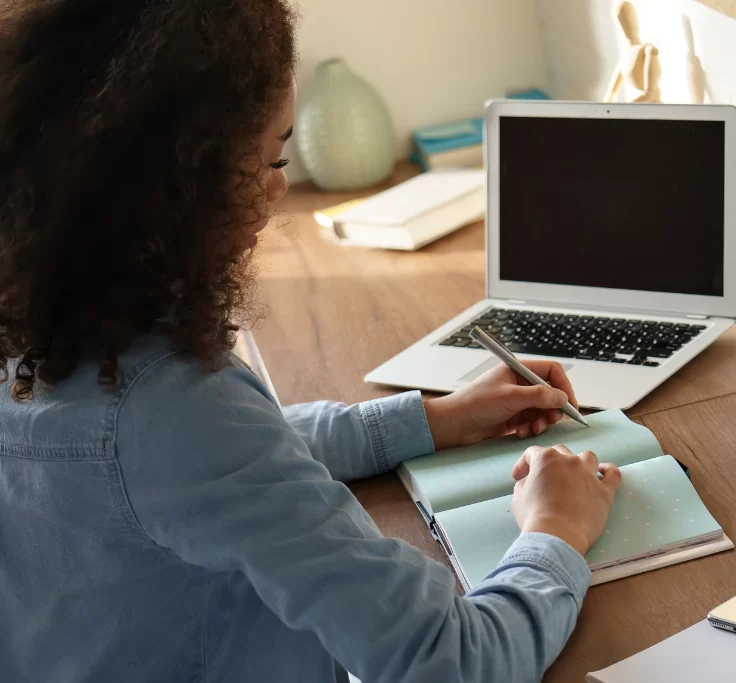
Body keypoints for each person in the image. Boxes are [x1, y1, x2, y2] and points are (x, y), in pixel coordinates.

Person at [0, 2, 623, 682]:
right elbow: (449, 662)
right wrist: (556, 529)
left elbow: (215, 464)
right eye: (271, 156)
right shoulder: (173, 405)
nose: (280, 187)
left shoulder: (43, 329)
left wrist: (432, 419)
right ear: (182, 186)